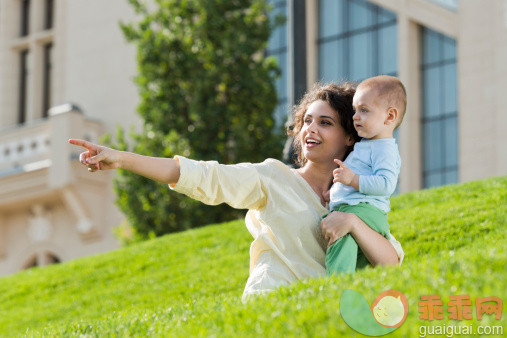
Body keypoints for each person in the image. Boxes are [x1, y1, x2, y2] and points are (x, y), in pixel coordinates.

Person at [69, 82, 404, 301]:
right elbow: (204, 176)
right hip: (269, 307)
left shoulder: (359, 200)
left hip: (320, 318)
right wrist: (122, 159)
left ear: (350, 137)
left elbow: (391, 261)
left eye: (325, 123)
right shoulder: (272, 178)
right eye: (307, 121)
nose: (310, 130)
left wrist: (353, 224)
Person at [324, 75, 406, 275]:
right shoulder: (370, 145)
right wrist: (336, 191)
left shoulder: (383, 149)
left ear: (390, 117)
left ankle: (336, 283)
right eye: (355, 110)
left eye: (364, 110)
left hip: (364, 210)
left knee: (340, 240)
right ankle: (352, 285)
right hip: (359, 208)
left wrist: (352, 180)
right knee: (356, 254)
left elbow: (386, 184)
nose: (355, 117)